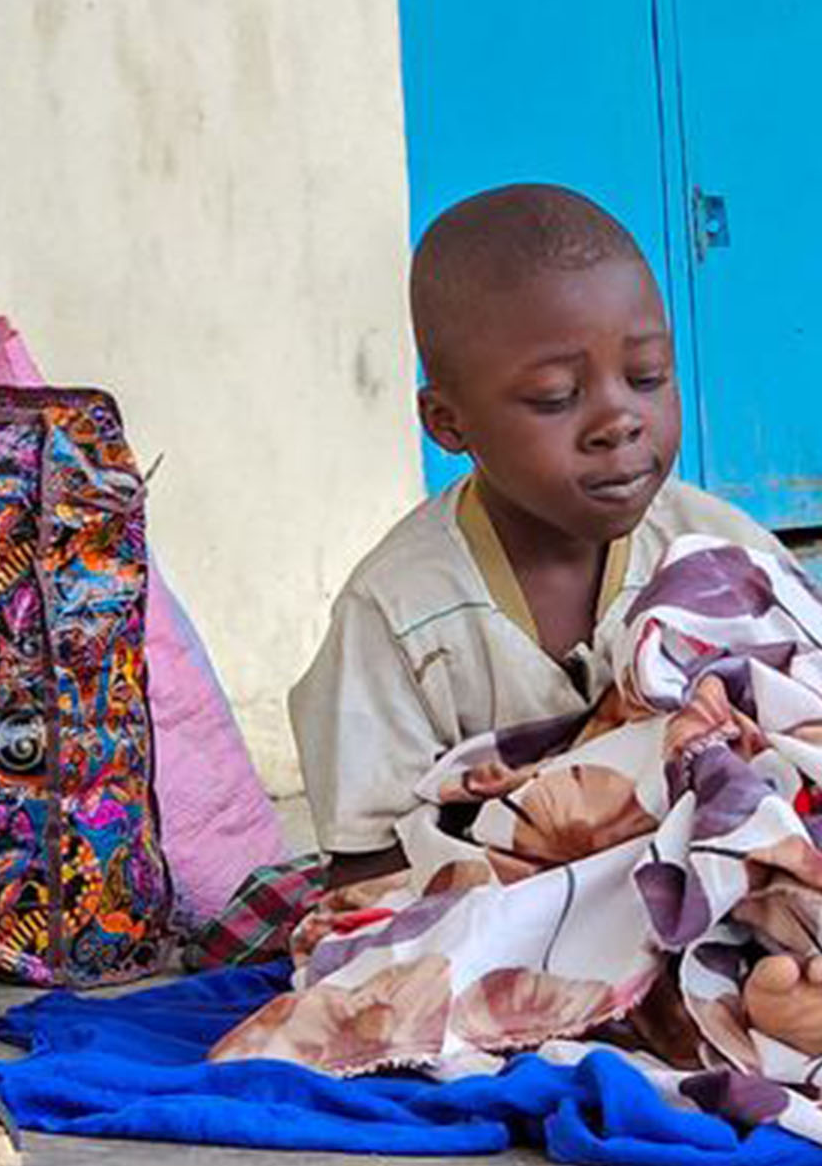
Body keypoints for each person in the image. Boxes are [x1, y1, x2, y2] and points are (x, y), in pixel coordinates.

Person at [291, 184, 783, 890]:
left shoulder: (725, 557)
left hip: (709, 886)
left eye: (647, 378)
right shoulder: (399, 614)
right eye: (556, 396)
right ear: (448, 423)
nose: (619, 420)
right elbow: (367, 866)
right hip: (499, 919)